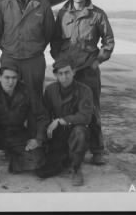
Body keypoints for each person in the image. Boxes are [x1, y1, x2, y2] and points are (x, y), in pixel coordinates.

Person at [50, 0, 115, 165]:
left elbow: (108, 41)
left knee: (92, 109)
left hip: (88, 70)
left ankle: (97, 150)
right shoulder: (62, 14)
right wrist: (60, 62)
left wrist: (98, 60)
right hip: (67, 72)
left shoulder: (97, 14)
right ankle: (67, 145)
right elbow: (55, 40)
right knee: (64, 108)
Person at [0, 0, 55, 109]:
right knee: (8, 99)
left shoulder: (43, 4)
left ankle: (35, 131)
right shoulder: (3, 4)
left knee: (35, 100)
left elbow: (49, 32)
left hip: (33, 60)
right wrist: (9, 49)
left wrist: (35, 48)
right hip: (10, 58)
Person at [36, 57, 94, 186]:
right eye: (60, 73)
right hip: (58, 134)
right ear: (56, 75)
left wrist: (62, 120)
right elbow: (44, 114)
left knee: (80, 132)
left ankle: (76, 169)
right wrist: (41, 136)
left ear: (73, 72)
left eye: (67, 72)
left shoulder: (85, 90)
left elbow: (85, 117)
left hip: (75, 131)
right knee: (42, 172)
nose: (64, 77)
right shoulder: (51, 90)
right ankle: (63, 159)